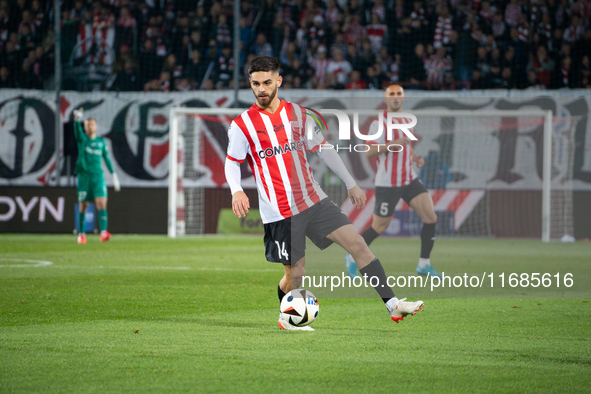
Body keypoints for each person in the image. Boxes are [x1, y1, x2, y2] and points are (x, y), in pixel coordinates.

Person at [224, 56, 424, 331]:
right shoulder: (242, 125)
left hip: (313, 199)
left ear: (278, 81)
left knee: (358, 244)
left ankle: (393, 305)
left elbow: (324, 149)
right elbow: (232, 162)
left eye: (267, 82)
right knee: (295, 275)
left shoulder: (298, 114)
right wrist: (236, 191)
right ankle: (287, 317)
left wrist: (350, 182)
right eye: (256, 83)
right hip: (281, 210)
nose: (262, 89)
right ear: (250, 83)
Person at [344, 84, 442, 279]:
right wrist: (391, 145)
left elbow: (406, 146)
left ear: (403, 98)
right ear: (386, 99)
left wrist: (415, 158)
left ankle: (424, 264)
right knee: (379, 227)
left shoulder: (408, 120)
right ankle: (351, 257)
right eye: (392, 94)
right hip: (388, 182)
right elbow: (369, 151)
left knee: (430, 218)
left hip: (409, 179)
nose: (396, 97)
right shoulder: (378, 124)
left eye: (399, 94)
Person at [72, 109, 120, 244]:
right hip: (83, 177)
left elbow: (107, 159)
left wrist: (113, 175)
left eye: (92, 124)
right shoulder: (82, 139)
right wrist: (76, 120)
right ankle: (81, 234)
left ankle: (103, 233)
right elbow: (77, 132)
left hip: (98, 177)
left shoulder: (101, 142)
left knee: (101, 204)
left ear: (96, 126)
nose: (90, 126)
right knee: (83, 206)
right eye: (87, 124)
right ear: (85, 127)